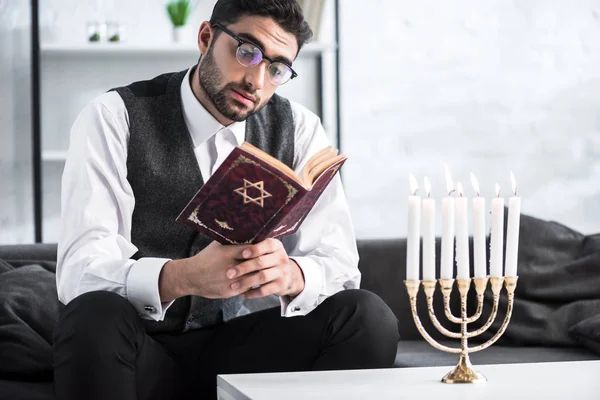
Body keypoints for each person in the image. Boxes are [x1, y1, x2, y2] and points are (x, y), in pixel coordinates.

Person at [52, 1, 399, 398]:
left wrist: (292, 275)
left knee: (367, 317)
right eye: (246, 51)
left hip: (235, 348)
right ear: (205, 38)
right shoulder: (114, 117)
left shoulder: (300, 129)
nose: (256, 79)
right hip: (136, 348)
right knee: (92, 314)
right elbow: (81, 272)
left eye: (276, 68)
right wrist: (181, 277)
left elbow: (339, 266)